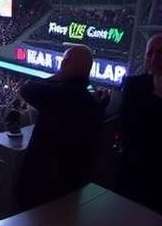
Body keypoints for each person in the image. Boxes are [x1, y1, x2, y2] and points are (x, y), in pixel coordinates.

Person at [15, 45, 108, 210]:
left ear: (64, 64)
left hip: (42, 181)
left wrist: (58, 76)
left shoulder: (57, 95)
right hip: (74, 182)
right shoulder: (95, 103)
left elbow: (27, 88)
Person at [118, 34, 162, 213]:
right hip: (133, 168)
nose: (154, 58)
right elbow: (128, 124)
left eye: (160, 53)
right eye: (150, 53)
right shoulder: (132, 84)